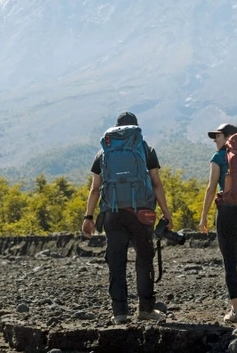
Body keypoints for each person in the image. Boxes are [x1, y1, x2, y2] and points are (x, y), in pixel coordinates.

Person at [81, 111, 173, 324]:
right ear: (136, 129)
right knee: (144, 259)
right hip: (141, 214)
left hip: (112, 214)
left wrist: (89, 216)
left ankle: (119, 313)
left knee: (116, 262)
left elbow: (95, 189)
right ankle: (146, 309)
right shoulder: (145, 149)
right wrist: (166, 212)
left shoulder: (104, 152)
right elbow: (156, 183)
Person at [198, 123, 237, 323]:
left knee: (229, 262)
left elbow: (210, 188)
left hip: (227, 212)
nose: (215, 140)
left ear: (228, 138)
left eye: (218, 136)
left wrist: (204, 216)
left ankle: (236, 311)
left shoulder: (218, 158)